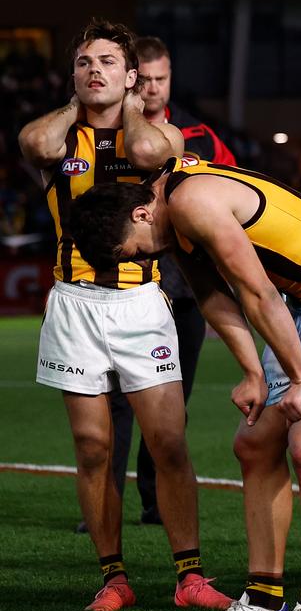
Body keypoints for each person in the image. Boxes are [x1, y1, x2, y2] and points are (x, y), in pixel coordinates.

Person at [70, 156, 301, 611]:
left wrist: (299, 378)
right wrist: (253, 373)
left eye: (137, 251)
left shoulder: (192, 202)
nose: (145, 258)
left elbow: (257, 292)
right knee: (254, 446)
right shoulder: (166, 206)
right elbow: (211, 294)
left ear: (141, 214)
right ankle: (262, 599)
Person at [17, 19, 231, 611]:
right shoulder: (58, 139)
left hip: (142, 303)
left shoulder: (156, 139)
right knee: (92, 448)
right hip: (73, 303)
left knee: (168, 443)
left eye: (109, 62)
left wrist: (127, 104)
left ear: (132, 75)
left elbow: (148, 151)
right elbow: (33, 144)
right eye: (85, 62)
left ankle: (189, 576)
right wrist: (78, 100)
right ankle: (113, 578)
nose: (95, 71)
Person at [101, 35, 238, 527]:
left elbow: (231, 191)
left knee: (172, 406)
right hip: (127, 287)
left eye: (164, 79)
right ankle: (105, 505)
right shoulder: (110, 131)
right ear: (134, 76)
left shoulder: (199, 134)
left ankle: (156, 503)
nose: (156, 89)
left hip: (185, 293)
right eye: (148, 79)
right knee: (116, 403)